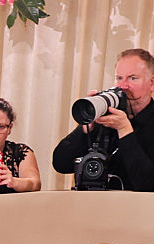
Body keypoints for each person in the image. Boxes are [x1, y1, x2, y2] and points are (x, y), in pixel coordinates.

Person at [52, 48, 154, 191]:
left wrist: (124, 130)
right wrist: (87, 125)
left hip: (136, 209)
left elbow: (148, 184)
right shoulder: (107, 116)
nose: (123, 86)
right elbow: (61, 164)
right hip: (93, 206)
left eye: (132, 78)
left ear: (152, 82)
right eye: (119, 78)